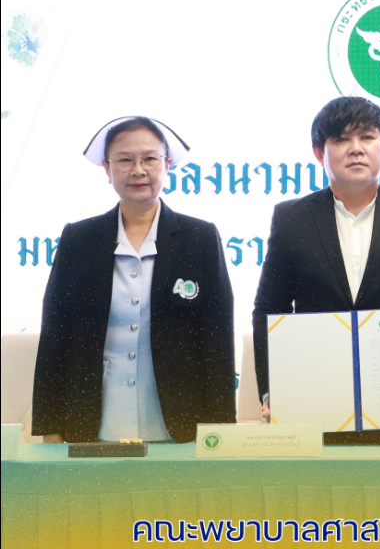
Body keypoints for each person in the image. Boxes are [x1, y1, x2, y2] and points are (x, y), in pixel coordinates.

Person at [253, 96, 380, 445]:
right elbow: (269, 310)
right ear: (319, 153)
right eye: (341, 139)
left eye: (367, 137)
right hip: (314, 411)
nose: (356, 149)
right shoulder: (291, 219)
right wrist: (275, 391)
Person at [32, 116, 236, 443]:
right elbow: (56, 335)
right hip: (93, 426)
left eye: (149, 158)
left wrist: (221, 429)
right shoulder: (79, 239)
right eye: (125, 160)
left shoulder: (200, 237)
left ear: (167, 164)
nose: (138, 170)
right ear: (107, 168)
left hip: (180, 427)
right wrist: (49, 427)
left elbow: (217, 340)